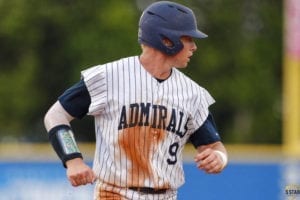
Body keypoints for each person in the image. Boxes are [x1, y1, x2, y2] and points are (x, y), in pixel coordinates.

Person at [44, 1, 228, 199]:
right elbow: (56, 115)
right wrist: (73, 159)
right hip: (113, 193)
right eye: (188, 38)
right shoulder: (109, 77)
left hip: (166, 195)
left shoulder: (193, 93)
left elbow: (214, 147)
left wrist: (219, 157)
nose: (194, 46)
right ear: (167, 40)